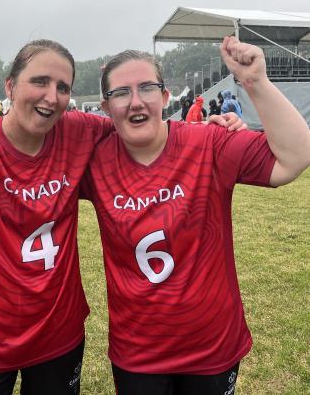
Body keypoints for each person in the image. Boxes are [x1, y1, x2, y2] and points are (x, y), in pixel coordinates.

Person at [0, 0, 244, 394]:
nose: (51, 96)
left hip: (59, 338)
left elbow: (141, 123)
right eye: (40, 81)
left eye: (63, 87)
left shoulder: (80, 131)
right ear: (10, 86)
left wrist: (208, 129)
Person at [80, 40, 310, 395]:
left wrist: (256, 83)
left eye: (147, 88)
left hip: (211, 346)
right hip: (138, 351)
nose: (137, 101)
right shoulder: (93, 162)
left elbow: (294, 158)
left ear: (167, 96)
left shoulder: (210, 143)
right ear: (106, 105)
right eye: (121, 92)